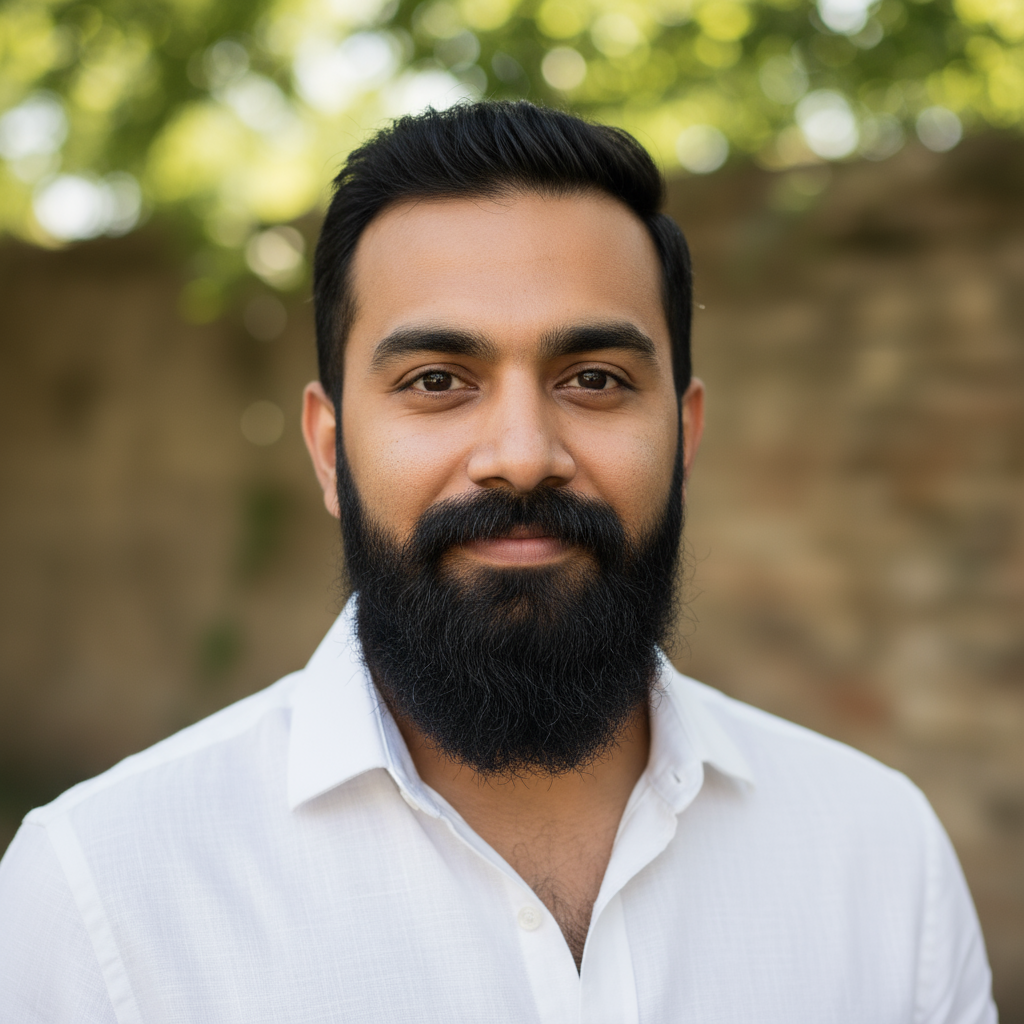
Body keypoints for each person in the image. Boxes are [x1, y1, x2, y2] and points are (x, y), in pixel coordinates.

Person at [0, 101, 995, 1023]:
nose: (522, 451)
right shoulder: (99, 898)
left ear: (682, 437)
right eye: (437, 380)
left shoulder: (880, 858)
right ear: (328, 448)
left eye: (595, 379)